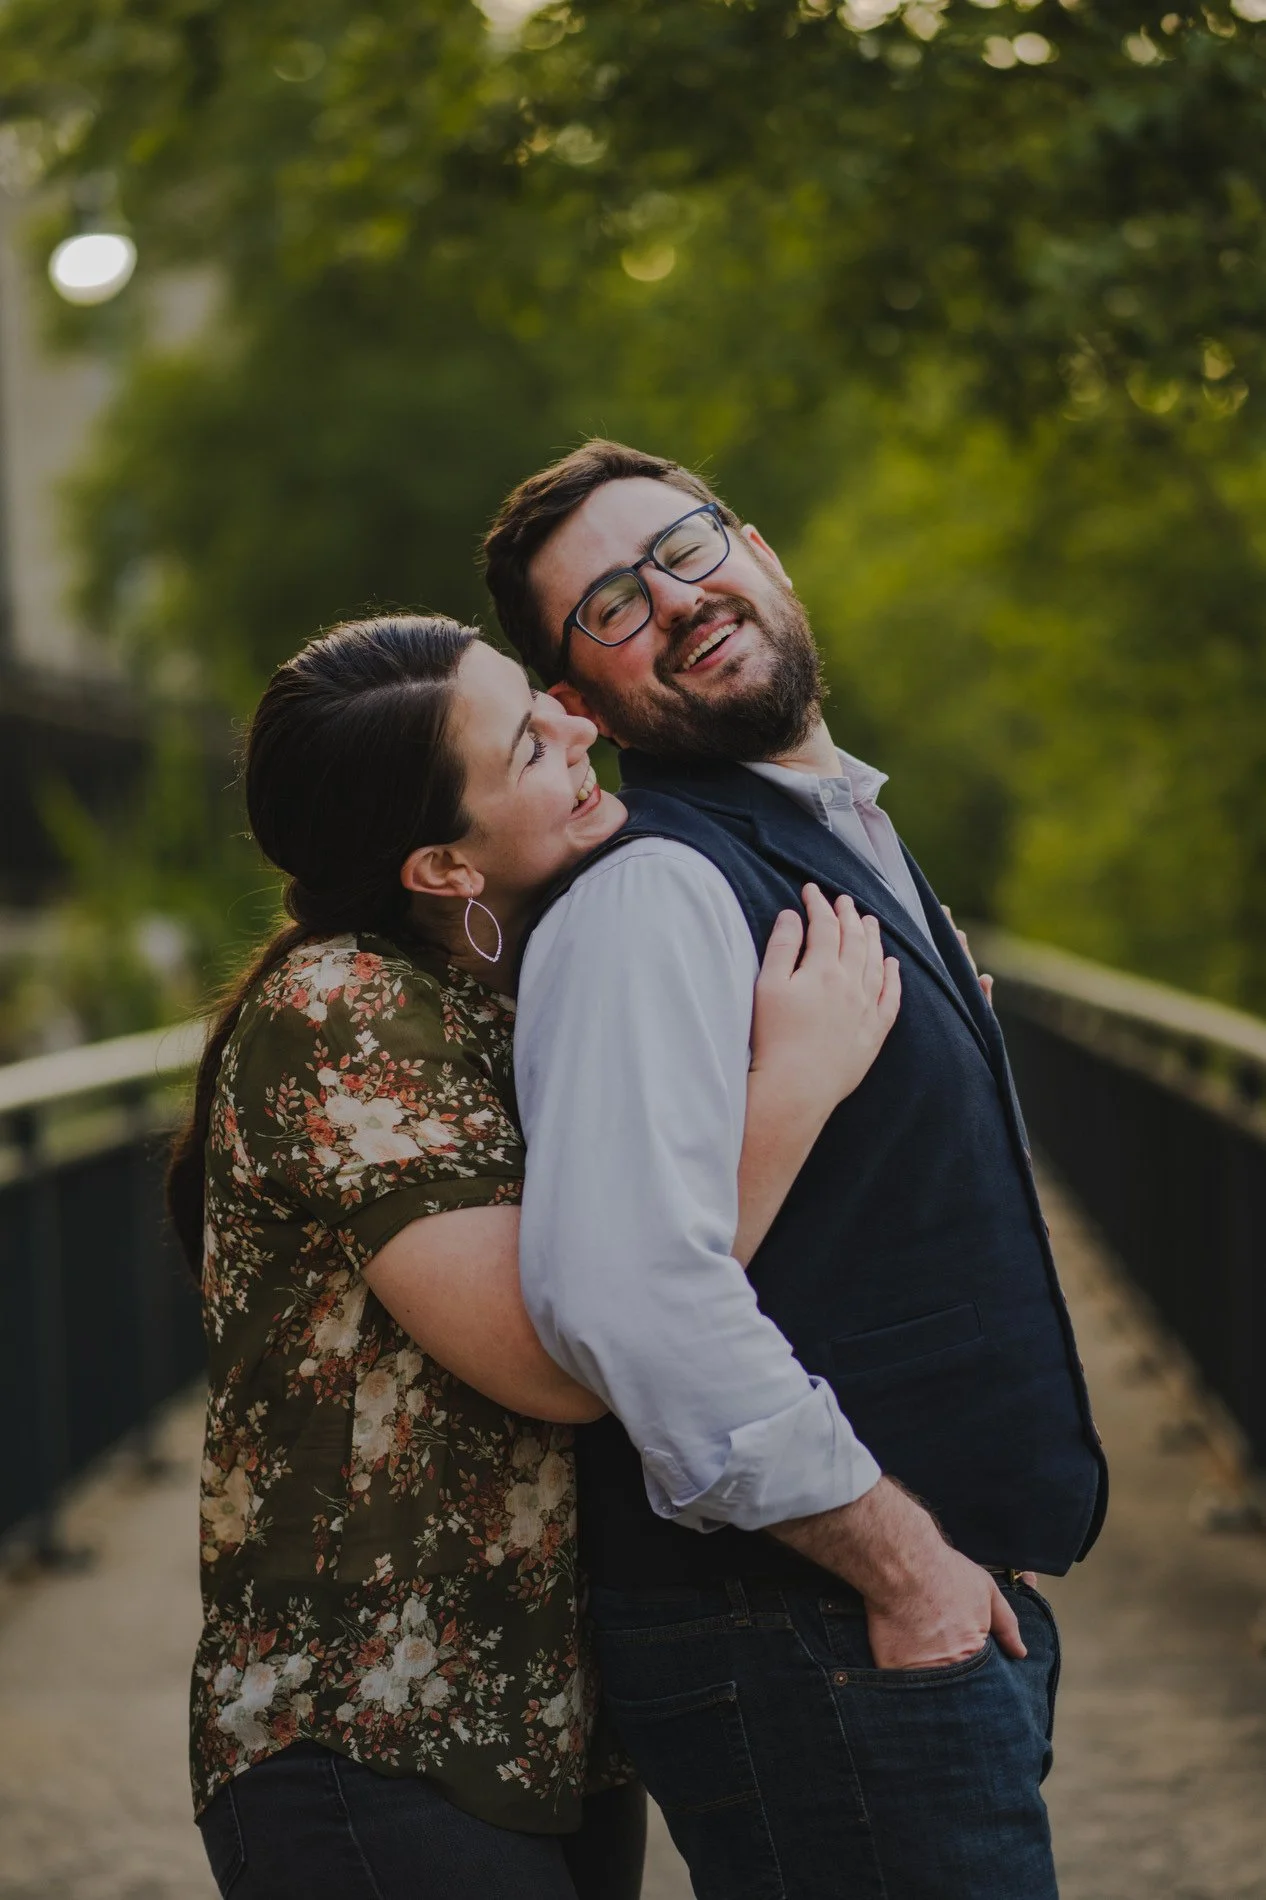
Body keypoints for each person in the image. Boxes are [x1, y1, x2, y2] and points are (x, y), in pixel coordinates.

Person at [167, 613, 902, 1900]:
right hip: (369, 1731)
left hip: (538, 1725)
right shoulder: (340, 1007)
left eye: (542, 701)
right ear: (447, 866)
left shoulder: (508, 986)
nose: (574, 722)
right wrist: (795, 1086)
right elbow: (560, 1356)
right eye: (525, 740)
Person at [483, 441, 1109, 1900]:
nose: (676, 600)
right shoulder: (653, 894)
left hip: (887, 1630)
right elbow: (625, 1295)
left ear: (759, 548)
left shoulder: (843, 843)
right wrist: (901, 1565)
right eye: (613, 607)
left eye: (685, 549)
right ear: (574, 703)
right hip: (815, 1627)